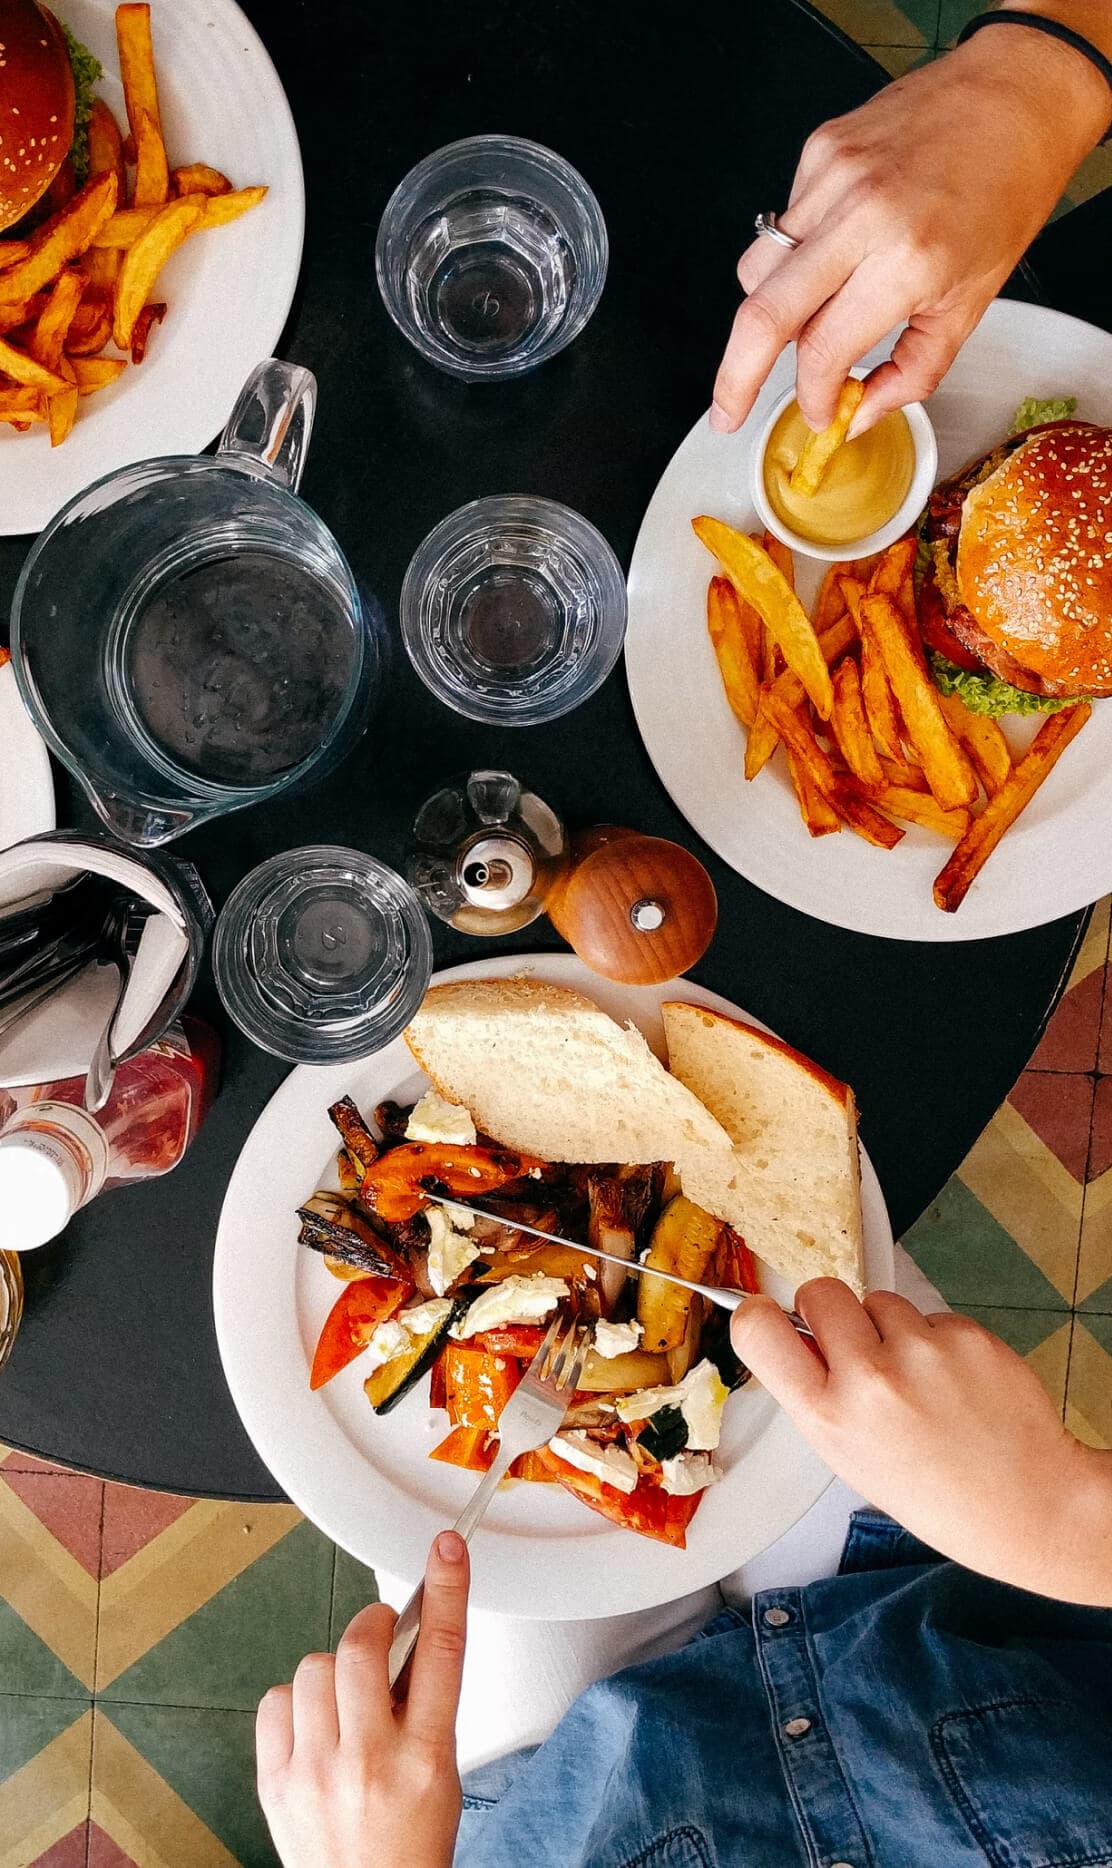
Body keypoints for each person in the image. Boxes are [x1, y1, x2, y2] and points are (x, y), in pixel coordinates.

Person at [256, 10, 1112, 1863]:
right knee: (809, 1240)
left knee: (474, 1530)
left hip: (582, 1773)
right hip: (957, 1571)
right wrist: (1074, 1528)